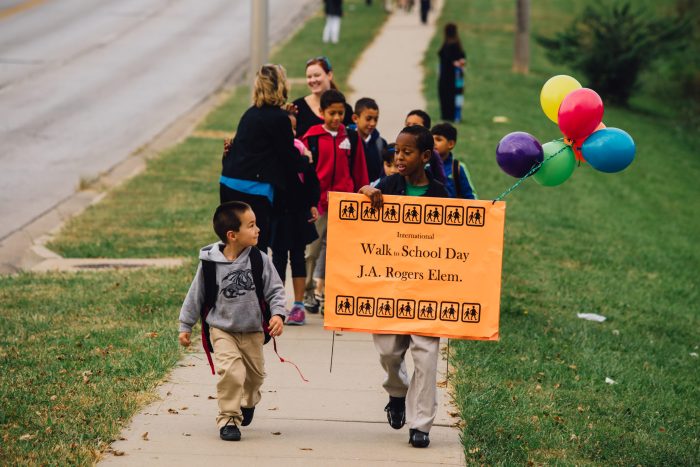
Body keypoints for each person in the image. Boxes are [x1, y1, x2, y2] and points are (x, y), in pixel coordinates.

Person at [358, 125, 447, 448]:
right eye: (397, 151)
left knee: (426, 357)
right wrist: (367, 191)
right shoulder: (390, 184)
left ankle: (421, 424)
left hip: (426, 289)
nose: (399, 157)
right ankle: (397, 393)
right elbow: (362, 196)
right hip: (389, 286)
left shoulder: (439, 193)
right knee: (388, 352)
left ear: (424, 157)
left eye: (407, 152)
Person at [178, 201, 287, 442]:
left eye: (256, 224)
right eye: (251, 225)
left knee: (255, 377)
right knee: (231, 372)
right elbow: (195, 295)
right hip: (222, 328)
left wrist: (278, 314)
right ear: (232, 235)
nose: (257, 229)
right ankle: (228, 418)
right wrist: (185, 325)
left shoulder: (260, 260)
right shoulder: (209, 263)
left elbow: (276, 290)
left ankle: (248, 402)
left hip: (253, 330)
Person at [220, 64, 304, 251]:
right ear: (281, 85)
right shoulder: (279, 118)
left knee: (233, 246)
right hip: (253, 188)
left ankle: (228, 279)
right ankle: (254, 281)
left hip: (228, 183)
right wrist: (306, 160)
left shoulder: (250, 114)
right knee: (257, 246)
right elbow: (289, 159)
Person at [302, 89, 369, 314]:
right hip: (318, 203)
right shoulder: (311, 137)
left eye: (340, 113)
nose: (336, 118)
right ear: (321, 112)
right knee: (311, 251)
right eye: (332, 113)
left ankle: (331, 295)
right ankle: (308, 291)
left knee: (338, 252)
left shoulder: (350, 138)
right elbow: (304, 172)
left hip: (344, 204)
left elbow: (359, 170)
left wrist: (362, 194)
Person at [271, 112, 320, 326]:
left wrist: (312, 204)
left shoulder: (300, 150)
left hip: (298, 212)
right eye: (286, 128)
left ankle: (298, 305)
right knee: (277, 260)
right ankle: (277, 304)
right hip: (277, 213)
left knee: (298, 258)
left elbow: (311, 180)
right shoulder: (272, 152)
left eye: (293, 128)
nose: (290, 132)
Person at [293, 57, 353, 139]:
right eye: (309, 77)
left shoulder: (346, 109)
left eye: (317, 75)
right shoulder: (297, 107)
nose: (313, 80)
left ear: (329, 75)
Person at [430, 122, 477, 199]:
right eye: (432, 140)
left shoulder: (457, 168)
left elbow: (470, 196)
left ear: (451, 144)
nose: (433, 143)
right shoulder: (425, 166)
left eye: (438, 139)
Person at [404, 110, 446, 184]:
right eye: (407, 125)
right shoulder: (397, 151)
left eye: (415, 126)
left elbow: (441, 182)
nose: (410, 129)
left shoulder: (433, 155)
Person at [350, 97, 387, 182]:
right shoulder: (346, 141)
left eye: (376, 119)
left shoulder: (381, 143)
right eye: (368, 119)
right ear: (355, 118)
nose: (373, 123)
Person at [438, 23, 467, 122]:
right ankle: (454, 115)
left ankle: (448, 116)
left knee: (447, 96)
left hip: (447, 76)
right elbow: (462, 57)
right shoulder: (457, 44)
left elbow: (448, 58)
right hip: (456, 77)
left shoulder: (449, 44)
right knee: (455, 96)